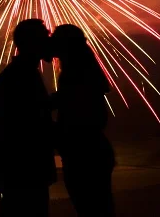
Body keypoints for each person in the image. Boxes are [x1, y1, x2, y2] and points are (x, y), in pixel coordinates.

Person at [0, 19, 57, 217]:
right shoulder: (22, 76)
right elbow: (30, 124)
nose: (50, 42)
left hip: (17, 169)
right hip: (25, 170)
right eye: (45, 37)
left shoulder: (19, 73)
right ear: (33, 43)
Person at [51, 24, 115, 217]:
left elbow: (72, 104)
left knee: (90, 208)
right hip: (92, 150)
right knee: (98, 208)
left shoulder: (76, 74)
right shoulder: (85, 71)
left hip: (84, 152)